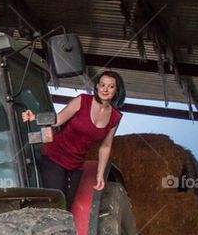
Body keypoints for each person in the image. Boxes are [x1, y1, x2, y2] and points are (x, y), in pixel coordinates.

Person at [22, 70, 124, 209]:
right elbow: (57, 120)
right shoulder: (82, 101)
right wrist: (35, 117)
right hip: (55, 156)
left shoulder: (115, 117)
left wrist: (100, 175)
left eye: (110, 86)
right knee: (57, 203)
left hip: (76, 164)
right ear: (97, 87)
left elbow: (105, 146)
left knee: (68, 207)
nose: (105, 89)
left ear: (117, 90)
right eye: (102, 85)